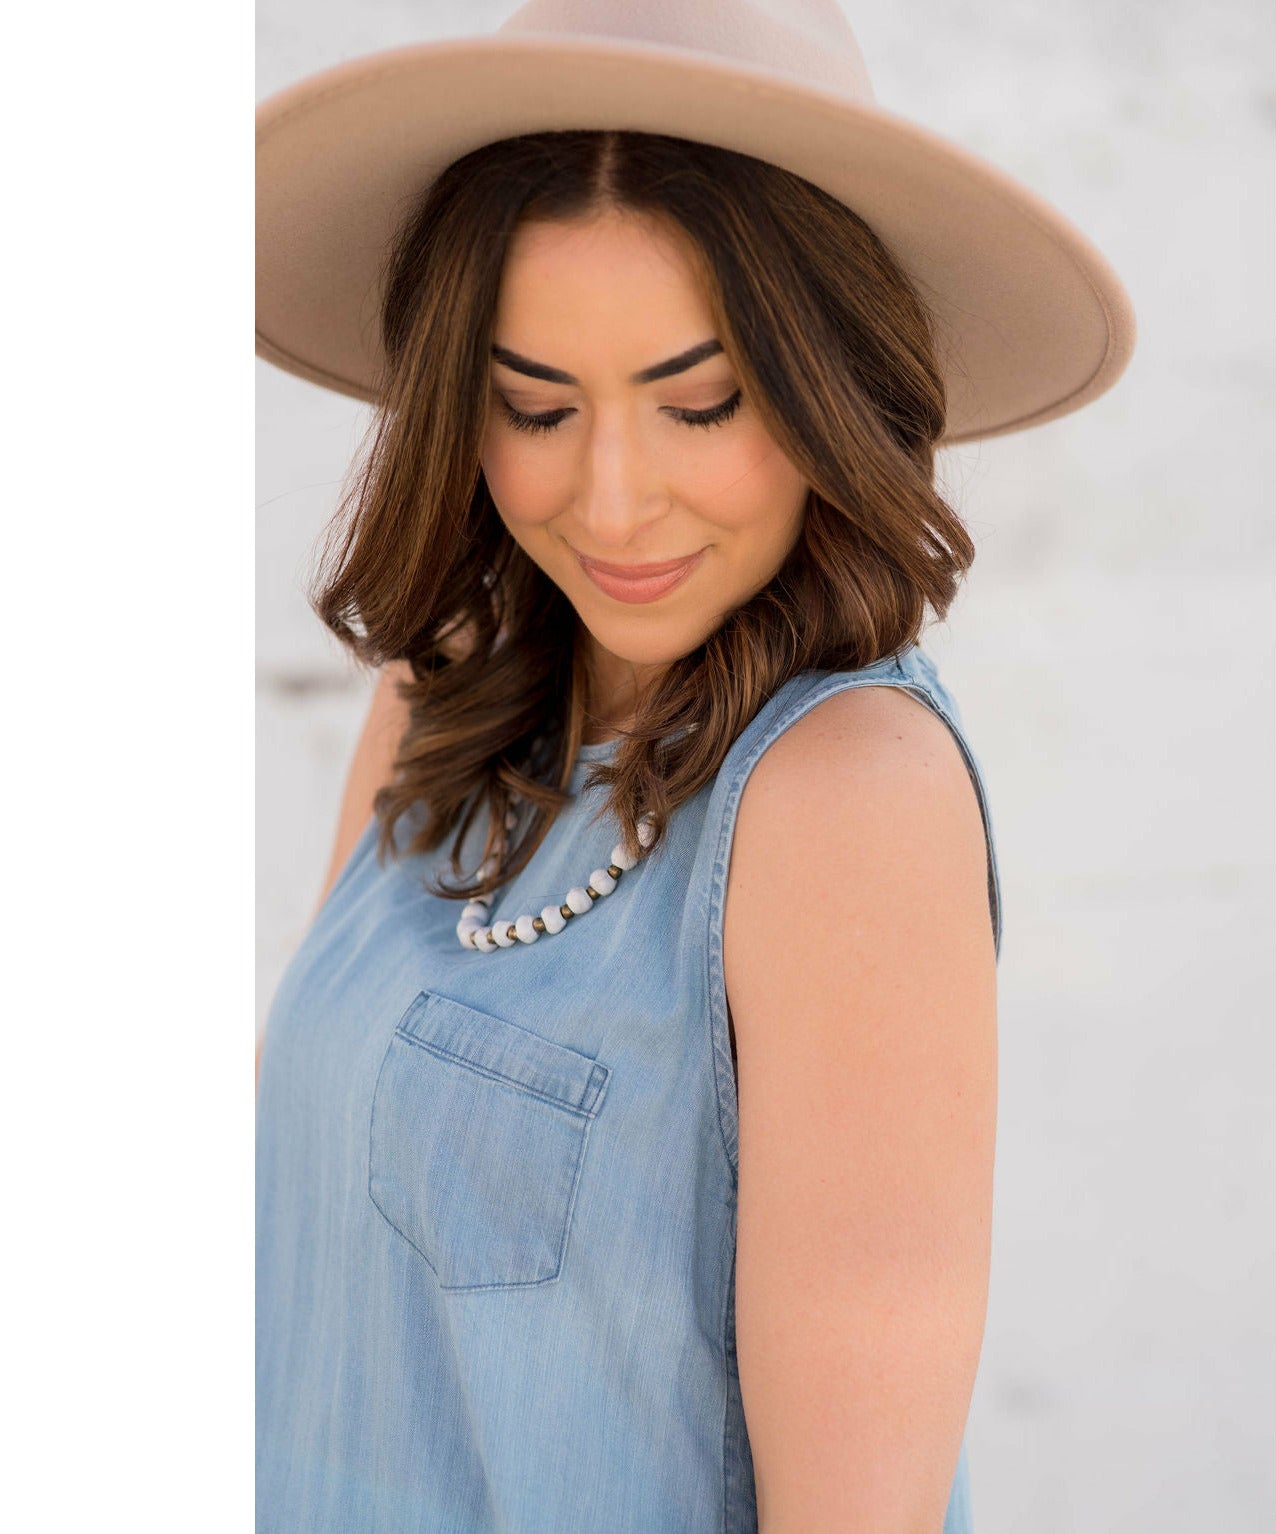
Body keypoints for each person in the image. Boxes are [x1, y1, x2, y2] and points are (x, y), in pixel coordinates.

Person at [254, 4, 1135, 1531]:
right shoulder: (443, 693)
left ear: (825, 388)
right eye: (535, 406)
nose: (611, 500)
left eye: (699, 402)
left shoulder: (843, 798)